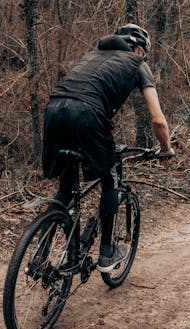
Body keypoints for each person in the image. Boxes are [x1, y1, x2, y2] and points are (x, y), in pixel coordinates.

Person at [42, 23, 175, 272]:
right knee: (110, 179)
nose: (142, 57)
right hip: (87, 114)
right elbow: (158, 119)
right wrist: (166, 148)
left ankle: (39, 253)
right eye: (143, 53)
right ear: (138, 49)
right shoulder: (137, 64)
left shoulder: (91, 57)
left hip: (53, 111)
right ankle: (106, 253)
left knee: (66, 187)